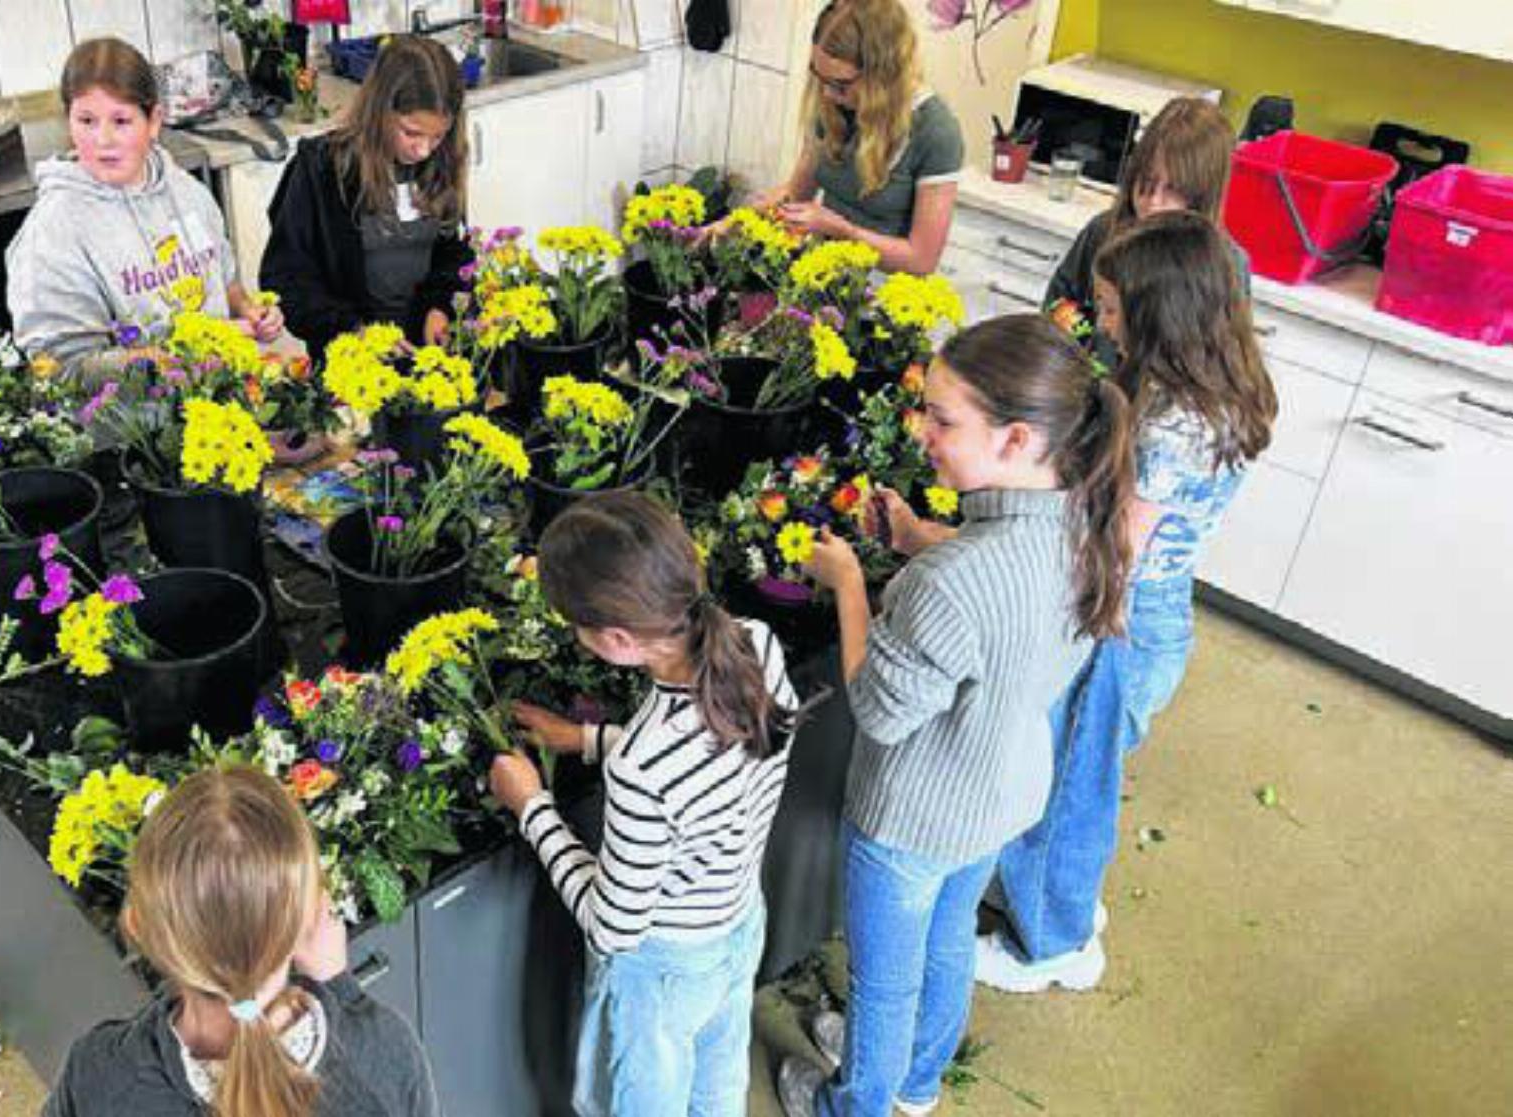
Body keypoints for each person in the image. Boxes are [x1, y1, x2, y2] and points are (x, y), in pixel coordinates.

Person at [776, 315, 1136, 1117]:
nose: (923, 431)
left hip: (913, 817)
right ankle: (918, 1079)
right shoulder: (1090, 524)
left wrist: (848, 584)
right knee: (946, 942)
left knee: (885, 976)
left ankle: (857, 1100)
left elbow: (877, 706)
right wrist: (917, 536)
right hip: (1001, 792)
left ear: (1013, 439)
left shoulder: (949, 585)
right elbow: (1004, 583)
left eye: (942, 419)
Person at [979, 211, 1278, 992]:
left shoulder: (1175, 430)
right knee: (1084, 784)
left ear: (1160, 314)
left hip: (1120, 627)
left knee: (1066, 784)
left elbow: (1114, 550)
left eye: (1111, 309)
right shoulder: (1210, 389)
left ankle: (1053, 946)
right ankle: (1058, 901)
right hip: (1155, 614)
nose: (1101, 320)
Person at [488, 491, 801, 1117]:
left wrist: (532, 809)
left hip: (663, 972)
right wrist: (585, 738)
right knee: (717, 1087)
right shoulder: (755, 645)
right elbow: (714, 760)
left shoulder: (641, 768)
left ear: (618, 639)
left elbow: (614, 925)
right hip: (739, 920)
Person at [44, 766, 440, 1117]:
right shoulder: (385, 1055)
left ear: (140, 925)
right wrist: (342, 992)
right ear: (310, 914)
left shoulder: (100, 1074)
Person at [6, 37, 282, 381]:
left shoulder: (187, 193)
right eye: (86, 121)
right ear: (69, 121)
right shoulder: (52, 232)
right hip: (135, 432)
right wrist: (171, 360)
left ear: (153, 121)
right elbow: (61, 370)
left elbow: (226, 284)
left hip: (217, 414)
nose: (103, 140)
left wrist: (249, 311)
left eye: (121, 121)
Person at [259, 34, 475, 358]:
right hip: (351, 367)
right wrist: (355, 331)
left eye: (438, 136)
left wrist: (440, 307)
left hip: (426, 358)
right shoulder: (320, 168)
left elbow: (451, 253)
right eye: (411, 132)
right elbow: (287, 280)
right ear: (380, 111)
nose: (424, 150)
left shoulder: (440, 162)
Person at [756, 0, 964, 275]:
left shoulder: (935, 131)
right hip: (821, 281)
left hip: (885, 300)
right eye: (820, 78)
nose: (828, 94)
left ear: (883, 74)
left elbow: (920, 261)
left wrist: (844, 232)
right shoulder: (833, 104)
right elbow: (795, 193)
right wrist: (734, 223)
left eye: (841, 85)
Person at [1044, 95, 1248, 365]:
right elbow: (1059, 302)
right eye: (1147, 182)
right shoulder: (1103, 231)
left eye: (1173, 190)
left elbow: (1221, 361)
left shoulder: (1226, 265)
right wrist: (1084, 349)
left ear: (1203, 196)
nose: (1153, 202)